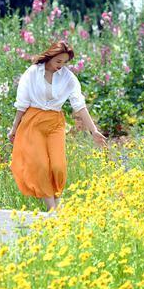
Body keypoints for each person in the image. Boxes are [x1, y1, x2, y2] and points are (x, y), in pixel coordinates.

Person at [7, 41, 107, 211]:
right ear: (50, 56)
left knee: (57, 167)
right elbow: (22, 102)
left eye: (65, 62)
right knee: (41, 166)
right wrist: (14, 128)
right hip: (33, 122)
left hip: (55, 124)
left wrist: (94, 131)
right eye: (58, 61)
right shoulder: (32, 73)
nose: (61, 66)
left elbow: (79, 105)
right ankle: (54, 211)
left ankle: (56, 210)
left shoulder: (68, 77)